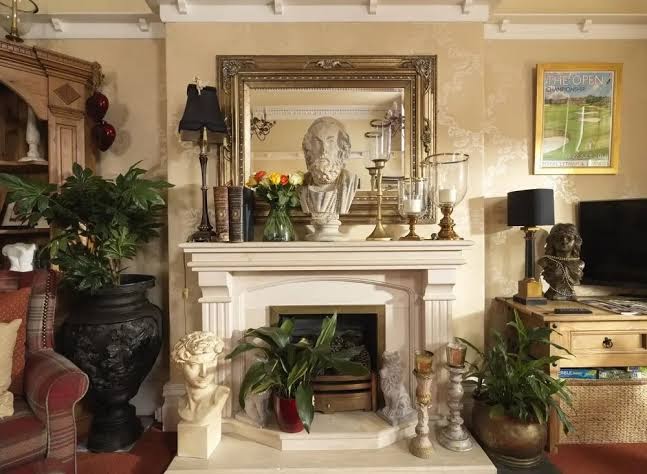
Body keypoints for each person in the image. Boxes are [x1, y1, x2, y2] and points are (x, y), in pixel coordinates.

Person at [300, 117, 359, 241]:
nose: (324, 150)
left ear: (340, 148)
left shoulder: (349, 181)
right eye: (317, 142)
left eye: (330, 141)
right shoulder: (301, 183)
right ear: (308, 148)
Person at [171, 331, 230, 423]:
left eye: (210, 363)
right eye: (194, 365)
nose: (203, 373)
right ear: (180, 366)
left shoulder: (221, 394)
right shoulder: (182, 402)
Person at [537, 223, 585, 300]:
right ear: (552, 241)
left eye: (569, 238)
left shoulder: (580, 263)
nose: (564, 241)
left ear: (576, 241)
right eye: (559, 238)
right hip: (552, 295)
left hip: (571, 296)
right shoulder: (545, 262)